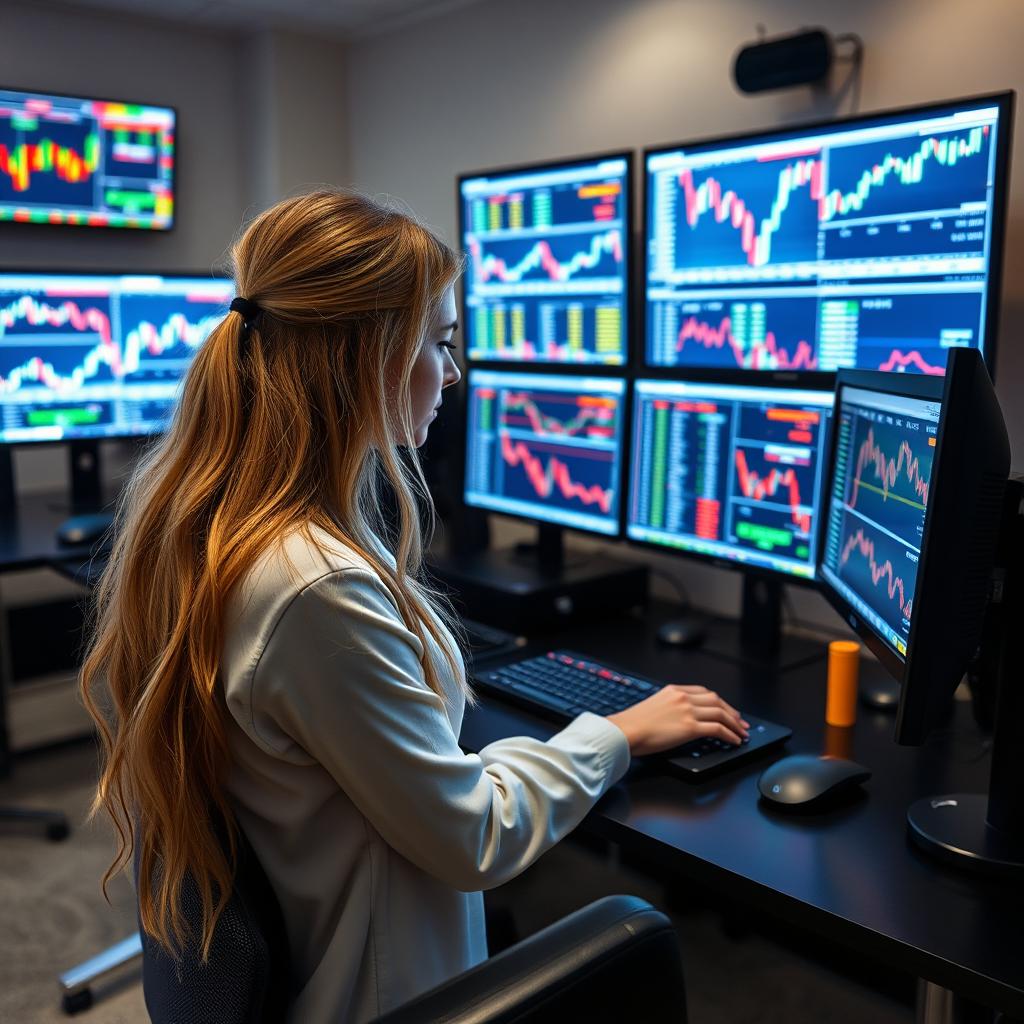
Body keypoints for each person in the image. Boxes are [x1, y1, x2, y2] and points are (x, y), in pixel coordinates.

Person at [81, 190, 750, 1023]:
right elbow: (473, 835)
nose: (456, 372)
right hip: (382, 999)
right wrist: (616, 734)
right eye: (440, 343)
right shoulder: (314, 588)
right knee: (635, 937)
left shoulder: (209, 524)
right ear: (365, 357)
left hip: (317, 956)